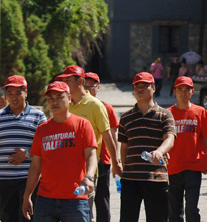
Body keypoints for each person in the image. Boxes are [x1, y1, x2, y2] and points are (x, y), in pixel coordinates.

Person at [22, 81, 98, 222]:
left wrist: (89, 177)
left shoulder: (82, 125)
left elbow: (91, 155)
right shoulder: (42, 129)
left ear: (69, 98)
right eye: (50, 98)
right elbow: (35, 166)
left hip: (75, 198)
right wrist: (27, 196)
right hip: (46, 200)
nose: (54, 102)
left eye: (59, 97)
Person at [58, 65, 122, 222]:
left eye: (68, 80)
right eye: (63, 80)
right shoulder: (63, 104)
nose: (65, 83)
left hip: (88, 170)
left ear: (80, 81)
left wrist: (115, 162)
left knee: (85, 213)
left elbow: (108, 136)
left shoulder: (96, 106)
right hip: (65, 170)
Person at [118, 72, 177, 222]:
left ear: (153, 88)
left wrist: (160, 151)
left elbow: (170, 139)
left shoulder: (165, 115)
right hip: (131, 180)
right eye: (137, 86)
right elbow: (124, 147)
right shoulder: (125, 118)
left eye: (145, 85)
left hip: (156, 178)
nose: (140, 88)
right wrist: (126, 171)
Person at [0, 76, 47, 222]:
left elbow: (46, 147)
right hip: (3, 181)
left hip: (29, 181)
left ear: (26, 93)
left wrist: (27, 155)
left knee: (28, 218)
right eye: (10, 93)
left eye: (18, 93)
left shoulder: (38, 116)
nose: (14, 98)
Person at [167, 76, 207, 222]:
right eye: (180, 89)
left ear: (192, 91)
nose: (183, 93)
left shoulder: (200, 112)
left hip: (193, 167)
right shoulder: (167, 113)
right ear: (174, 91)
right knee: (174, 212)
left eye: (187, 89)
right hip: (172, 167)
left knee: (191, 209)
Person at [84, 72, 120, 222]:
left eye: (91, 86)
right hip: (83, 160)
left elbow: (113, 135)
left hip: (103, 159)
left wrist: (115, 159)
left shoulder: (106, 107)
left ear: (98, 88)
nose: (87, 89)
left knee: (102, 200)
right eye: (84, 85)